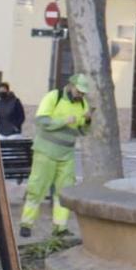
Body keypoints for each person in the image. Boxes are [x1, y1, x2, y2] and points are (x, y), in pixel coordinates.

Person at [21, 72, 90, 239]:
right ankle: (26, 224)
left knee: (65, 191)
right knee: (37, 188)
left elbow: (82, 131)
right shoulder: (53, 97)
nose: (81, 95)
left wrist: (87, 121)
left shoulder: (83, 104)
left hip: (66, 155)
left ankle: (60, 227)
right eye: (79, 91)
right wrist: (64, 121)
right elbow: (41, 121)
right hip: (45, 152)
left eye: (83, 92)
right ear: (71, 86)